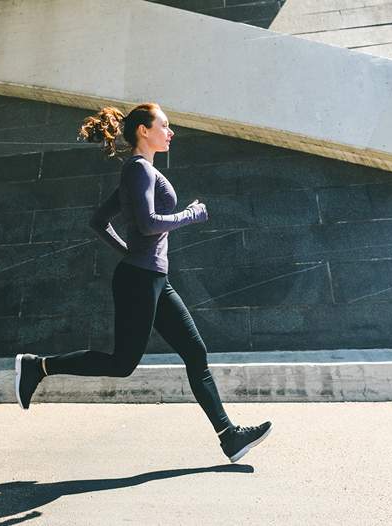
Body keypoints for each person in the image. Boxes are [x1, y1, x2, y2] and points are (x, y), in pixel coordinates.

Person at [14, 103, 272, 463]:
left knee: (195, 352)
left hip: (151, 277)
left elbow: (100, 220)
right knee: (122, 363)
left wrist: (131, 252)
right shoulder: (138, 170)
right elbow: (149, 223)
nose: (171, 132)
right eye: (164, 125)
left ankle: (229, 436)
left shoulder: (138, 172)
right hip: (141, 279)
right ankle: (37, 366)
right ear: (143, 131)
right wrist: (190, 215)